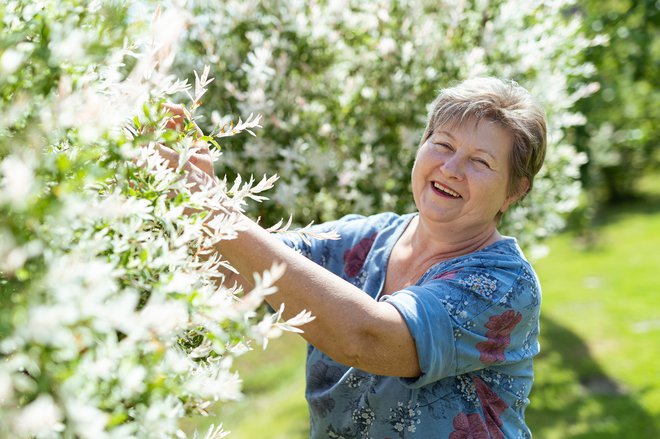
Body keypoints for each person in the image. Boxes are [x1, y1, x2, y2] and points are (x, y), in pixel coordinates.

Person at [158, 76, 547, 438]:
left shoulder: (505, 285)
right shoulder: (363, 238)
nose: (451, 168)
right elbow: (238, 271)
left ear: (515, 191)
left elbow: (367, 338)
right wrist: (167, 189)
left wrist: (213, 209)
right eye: (443, 144)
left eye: (480, 162)